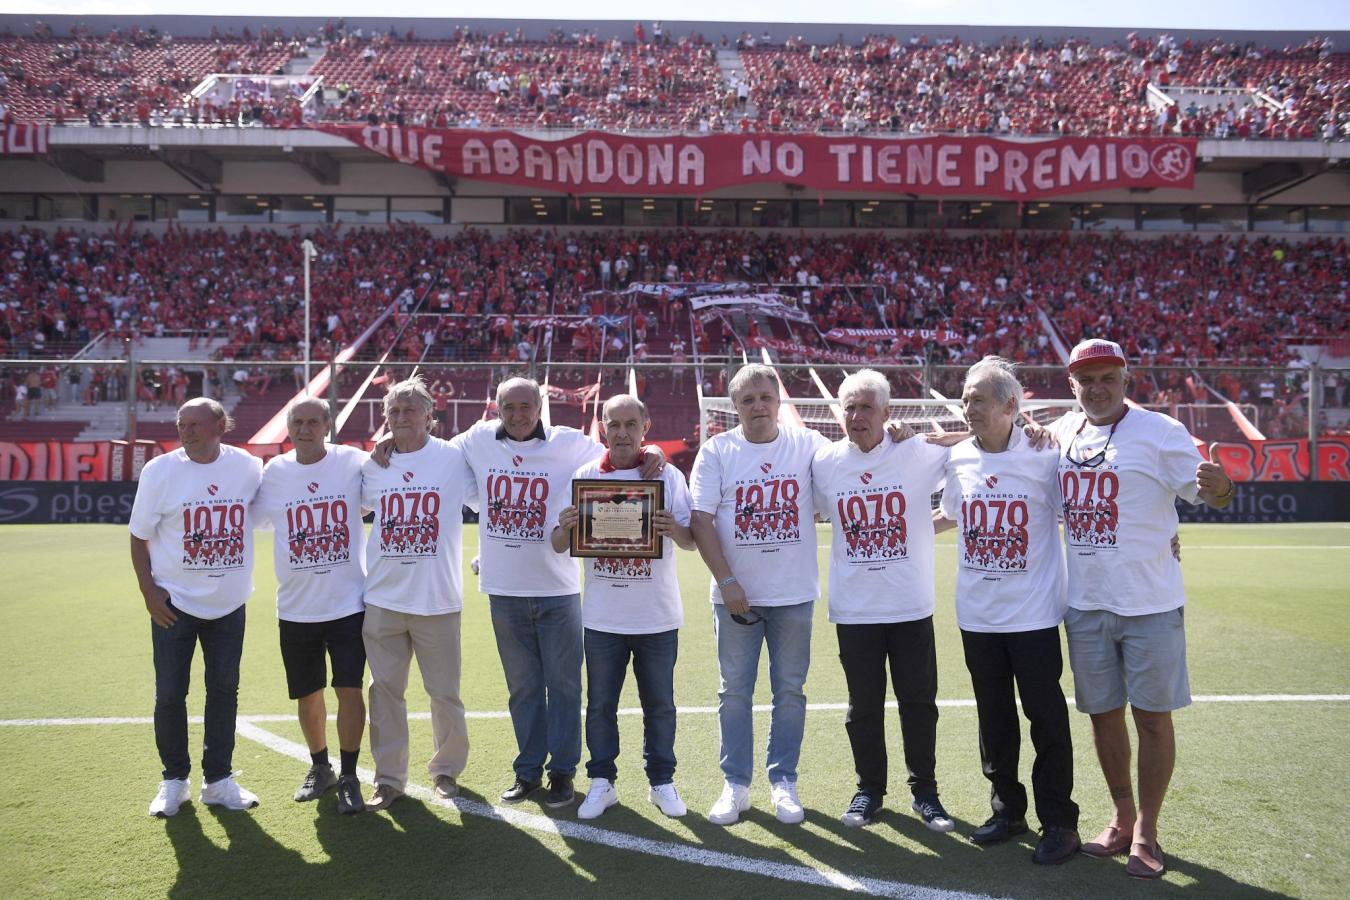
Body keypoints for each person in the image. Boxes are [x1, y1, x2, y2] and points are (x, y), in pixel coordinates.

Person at [1055, 339, 1234, 880]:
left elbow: (1213, 493)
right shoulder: (1063, 432)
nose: (1097, 388)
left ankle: (1147, 831)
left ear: (1126, 378)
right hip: (1084, 603)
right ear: (1072, 386)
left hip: (1150, 603)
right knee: (1102, 715)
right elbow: (998, 439)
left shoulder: (1160, 432)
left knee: (1153, 720)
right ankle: (1121, 816)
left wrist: (1223, 488)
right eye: (1086, 380)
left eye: (1107, 377)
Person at [453, 377, 664, 808]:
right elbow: (430, 454)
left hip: (558, 588)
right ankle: (527, 770)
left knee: (565, 686)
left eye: (526, 406)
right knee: (523, 687)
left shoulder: (571, 444)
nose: (517, 414)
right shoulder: (476, 440)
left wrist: (653, 451)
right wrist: (387, 442)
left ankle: (563, 773)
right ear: (497, 409)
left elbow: (621, 450)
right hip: (504, 590)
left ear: (540, 406)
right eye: (509, 407)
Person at [935, 357, 1080, 865]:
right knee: (994, 721)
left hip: (1034, 617)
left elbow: (1079, 514)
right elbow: (950, 515)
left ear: (1011, 406)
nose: (967, 407)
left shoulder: (1047, 457)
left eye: (977, 398)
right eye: (966, 397)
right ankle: (1007, 809)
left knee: (1046, 719)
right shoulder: (956, 461)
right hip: (977, 616)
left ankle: (1059, 821)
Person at [810, 369, 955, 831]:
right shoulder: (825, 461)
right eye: (849, 407)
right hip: (854, 609)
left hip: (910, 606)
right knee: (863, 707)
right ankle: (869, 789)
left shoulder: (915, 452)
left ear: (888, 413)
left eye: (866, 406)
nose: (856, 416)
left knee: (919, 702)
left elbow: (981, 441)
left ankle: (925, 792)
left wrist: (928, 432)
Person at [689, 363, 828, 825]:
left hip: (792, 595)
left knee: (790, 690)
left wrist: (895, 432)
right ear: (734, 407)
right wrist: (728, 582)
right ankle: (736, 785)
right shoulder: (717, 451)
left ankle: (783, 781)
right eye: (747, 399)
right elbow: (701, 520)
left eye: (765, 397)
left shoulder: (808, 445)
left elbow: (855, 465)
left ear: (779, 401)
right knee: (734, 693)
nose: (758, 406)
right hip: (735, 598)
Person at [550, 395, 696, 820]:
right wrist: (567, 526)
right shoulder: (584, 475)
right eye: (614, 424)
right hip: (602, 617)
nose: (623, 432)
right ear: (602, 427)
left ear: (645, 427)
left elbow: (690, 541)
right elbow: (558, 544)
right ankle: (602, 781)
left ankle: (661, 782)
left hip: (657, 615)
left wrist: (675, 529)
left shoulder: (667, 475)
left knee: (660, 706)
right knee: (600, 705)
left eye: (631, 424)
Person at [130, 398, 263, 817]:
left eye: (194, 424)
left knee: (224, 692)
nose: (185, 431)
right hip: (175, 604)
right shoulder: (160, 471)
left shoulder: (247, 466)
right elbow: (138, 536)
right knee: (170, 693)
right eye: (181, 424)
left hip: (228, 606)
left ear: (220, 426)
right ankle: (174, 781)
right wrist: (149, 592)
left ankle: (219, 781)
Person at [360, 377, 476, 811]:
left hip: (437, 600)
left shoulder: (453, 458)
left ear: (430, 415)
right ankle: (389, 778)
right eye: (394, 411)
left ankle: (445, 770)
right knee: (385, 692)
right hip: (383, 599)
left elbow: (491, 501)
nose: (402, 418)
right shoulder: (373, 465)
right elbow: (350, 509)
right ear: (385, 418)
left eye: (411, 410)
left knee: (444, 692)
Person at [252, 398, 368, 814]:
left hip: (348, 603)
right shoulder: (275, 472)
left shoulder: (354, 461)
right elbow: (252, 518)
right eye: (297, 422)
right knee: (308, 693)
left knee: (349, 689)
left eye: (313, 422)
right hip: (296, 607)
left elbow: (387, 481)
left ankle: (351, 775)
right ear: (288, 427)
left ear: (328, 425)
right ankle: (321, 767)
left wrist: (391, 442)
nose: (305, 429)